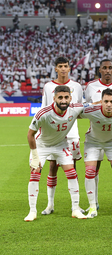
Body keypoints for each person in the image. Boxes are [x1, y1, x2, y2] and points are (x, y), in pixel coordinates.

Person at [25, 85, 87, 221]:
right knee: (35, 174)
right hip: (42, 146)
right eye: (60, 98)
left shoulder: (75, 108)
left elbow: (94, 106)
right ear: (54, 99)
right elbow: (30, 134)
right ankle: (32, 211)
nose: (63, 100)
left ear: (70, 98)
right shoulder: (43, 113)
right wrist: (35, 156)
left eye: (66, 97)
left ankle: (76, 209)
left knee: (71, 173)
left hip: (61, 145)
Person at [40, 57, 83, 215]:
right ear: (56, 69)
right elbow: (44, 110)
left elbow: (80, 109)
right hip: (53, 135)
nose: (63, 69)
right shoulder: (48, 86)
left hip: (72, 133)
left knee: (73, 168)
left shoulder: (76, 86)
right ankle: (50, 205)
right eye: (60, 66)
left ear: (69, 68)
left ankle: (75, 205)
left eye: (66, 66)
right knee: (52, 167)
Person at [84, 59, 112, 211]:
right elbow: (85, 106)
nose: (108, 70)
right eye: (105, 68)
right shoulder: (91, 86)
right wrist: (106, 103)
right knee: (93, 169)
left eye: (110, 68)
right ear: (100, 70)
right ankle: (94, 202)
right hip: (96, 132)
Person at [80, 88, 112, 218]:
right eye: (106, 101)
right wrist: (94, 103)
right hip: (93, 142)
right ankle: (92, 207)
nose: (108, 104)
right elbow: (75, 109)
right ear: (101, 102)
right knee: (90, 172)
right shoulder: (91, 111)